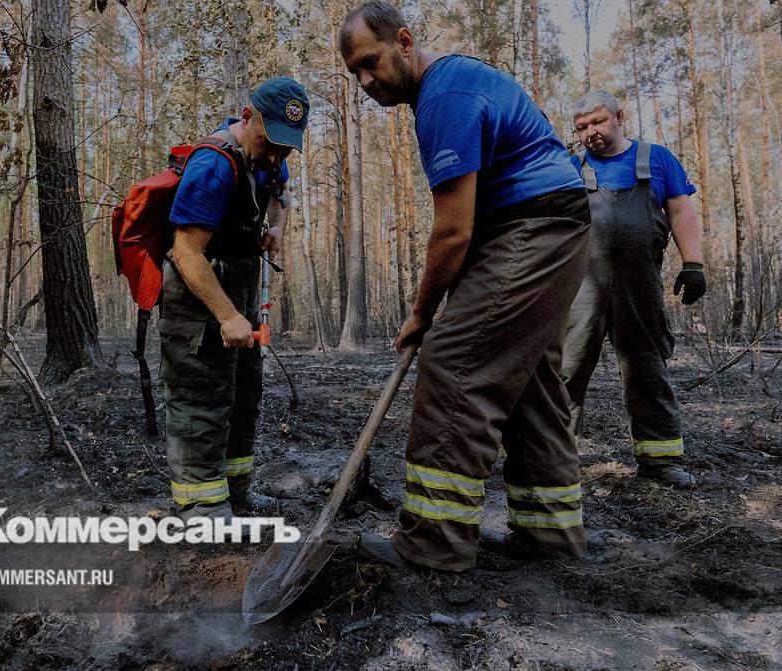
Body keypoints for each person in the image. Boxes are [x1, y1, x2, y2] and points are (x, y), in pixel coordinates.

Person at [338, 1, 591, 571]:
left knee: (455, 363)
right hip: (547, 225)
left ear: (404, 41)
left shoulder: (445, 96)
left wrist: (422, 314)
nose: (366, 81)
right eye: (355, 73)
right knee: (529, 379)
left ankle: (433, 542)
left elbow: (453, 232)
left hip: (535, 225)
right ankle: (549, 533)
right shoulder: (451, 85)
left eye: (371, 62)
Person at [160, 76, 309, 521]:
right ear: (247, 118)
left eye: (286, 149)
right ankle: (200, 506)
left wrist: (277, 226)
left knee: (244, 393)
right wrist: (227, 316)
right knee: (201, 398)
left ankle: (234, 491)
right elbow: (186, 252)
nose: (276, 157)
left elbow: (281, 195)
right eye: (270, 144)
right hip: (197, 301)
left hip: (240, 298)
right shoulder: (213, 164)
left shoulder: (270, 160)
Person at [563, 90, 706, 489]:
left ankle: (661, 460)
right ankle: (555, 458)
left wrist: (693, 263)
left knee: (647, 368)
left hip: (639, 286)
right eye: (582, 127)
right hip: (581, 286)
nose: (590, 132)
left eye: (598, 121)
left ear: (619, 117)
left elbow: (681, 209)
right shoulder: (571, 167)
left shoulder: (655, 158)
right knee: (566, 369)